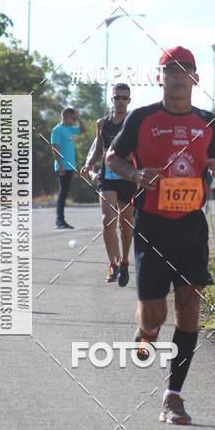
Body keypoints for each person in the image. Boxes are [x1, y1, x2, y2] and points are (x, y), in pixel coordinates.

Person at [106, 45, 215, 425]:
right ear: (160, 77)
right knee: (156, 311)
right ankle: (147, 328)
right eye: (170, 70)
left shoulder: (208, 121)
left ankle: (173, 396)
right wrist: (135, 175)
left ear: (195, 78)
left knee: (189, 310)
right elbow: (112, 157)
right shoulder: (141, 118)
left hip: (191, 226)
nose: (177, 76)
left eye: (184, 70)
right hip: (153, 225)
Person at [80, 83, 135, 285]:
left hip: (128, 178)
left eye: (124, 98)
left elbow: (140, 148)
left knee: (125, 226)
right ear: (111, 100)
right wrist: (88, 165)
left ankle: (125, 261)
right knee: (107, 220)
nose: (120, 101)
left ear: (129, 101)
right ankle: (113, 264)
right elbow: (98, 149)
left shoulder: (132, 123)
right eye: (117, 97)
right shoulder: (102, 123)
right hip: (107, 177)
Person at [50, 107, 86, 229]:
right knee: (63, 192)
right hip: (63, 166)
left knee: (64, 192)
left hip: (70, 166)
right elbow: (55, 148)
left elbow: (83, 130)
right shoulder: (57, 130)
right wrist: (60, 165)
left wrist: (79, 118)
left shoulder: (70, 129)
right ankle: (59, 221)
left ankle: (60, 220)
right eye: (73, 118)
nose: (74, 121)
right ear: (66, 117)